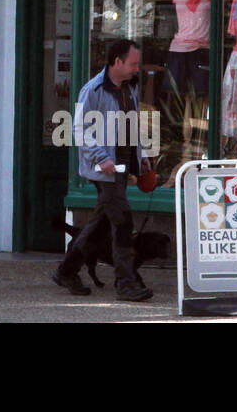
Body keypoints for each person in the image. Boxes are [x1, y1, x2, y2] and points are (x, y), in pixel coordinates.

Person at [52, 38, 155, 302]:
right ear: (117, 62)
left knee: (100, 225)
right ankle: (126, 283)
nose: (136, 68)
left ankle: (66, 270)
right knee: (122, 222)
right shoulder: (93, 90)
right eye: (132, 63)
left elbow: (131, 124)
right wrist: (101, 158)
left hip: (120, 166)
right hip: (104, 169)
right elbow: (79, 130)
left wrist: (140, 157)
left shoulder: (128, 87)